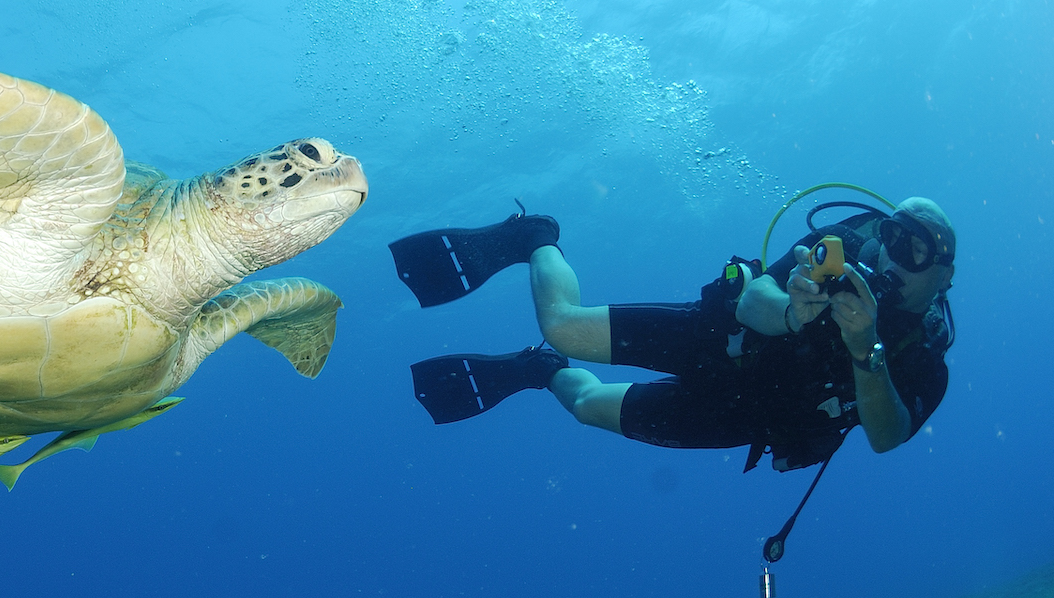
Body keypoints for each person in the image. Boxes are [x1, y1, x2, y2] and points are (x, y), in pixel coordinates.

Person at [391, 196, 955, 474]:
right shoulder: (841, 248)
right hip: (720, 339)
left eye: (915, 250)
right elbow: (754, 297)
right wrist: (791, 312)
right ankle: (535, 238)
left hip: (748, 415)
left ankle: (539, 370)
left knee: (586, 406)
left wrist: (865, 350)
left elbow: (887, 436)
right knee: (562, 324)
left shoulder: (925, 360)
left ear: (943, 276)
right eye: (890, 235)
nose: (891, 255)